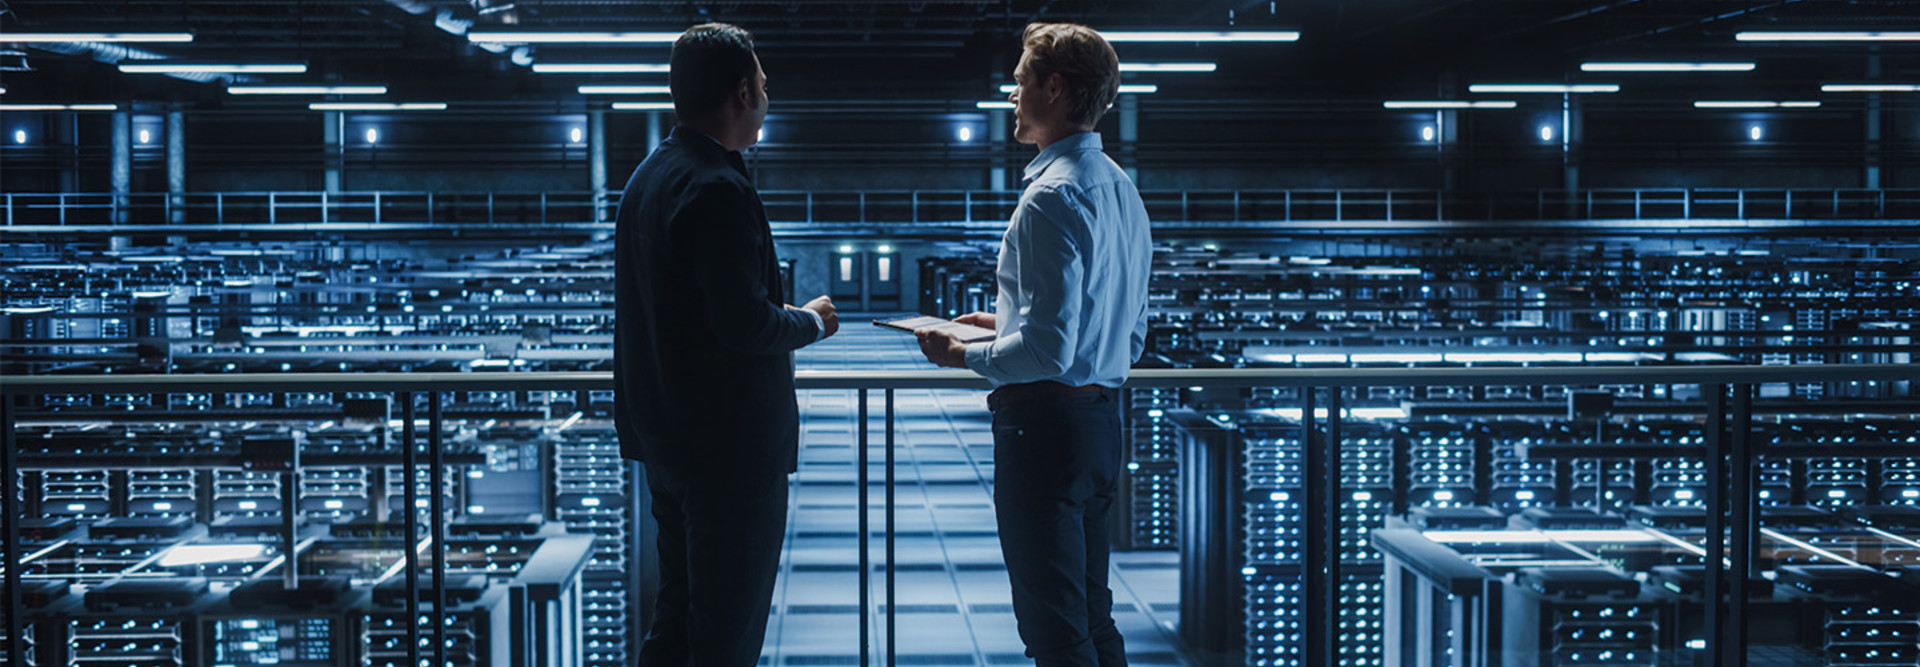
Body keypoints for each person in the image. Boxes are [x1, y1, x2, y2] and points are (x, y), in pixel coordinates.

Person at [914, 22, 1151, 667]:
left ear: (1055, 87)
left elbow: (1047, 353)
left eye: (1020, 82)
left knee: (1052, 625)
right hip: (1101, 422)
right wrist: (1005, 324)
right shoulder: (1120, 189)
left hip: (1043, 431)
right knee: (1092, 613)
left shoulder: (1049, 197)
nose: (1011, 95)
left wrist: (960, 352)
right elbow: (1125, 332)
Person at [613, 22, 838, 667]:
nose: (768, 97)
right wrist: (812, 321)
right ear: (742, 92)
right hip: (729, 455)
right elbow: (745, 324)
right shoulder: (718, 188)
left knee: (678, 617)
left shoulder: (648, 178)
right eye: (764, 85)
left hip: (667, 443)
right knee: (726, 635)